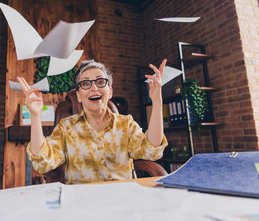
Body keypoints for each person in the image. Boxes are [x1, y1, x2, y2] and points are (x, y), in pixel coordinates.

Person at [17, 59, 168, 184]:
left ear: (110, 92)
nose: (94, 88)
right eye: (85, 83)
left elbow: (151, 149)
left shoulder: (126, 124)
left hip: (121, 198)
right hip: (80, 201)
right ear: (78, 95)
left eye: (100, 82)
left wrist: (157, 101)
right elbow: (42, 162)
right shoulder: (66, 127)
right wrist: (35, 116)